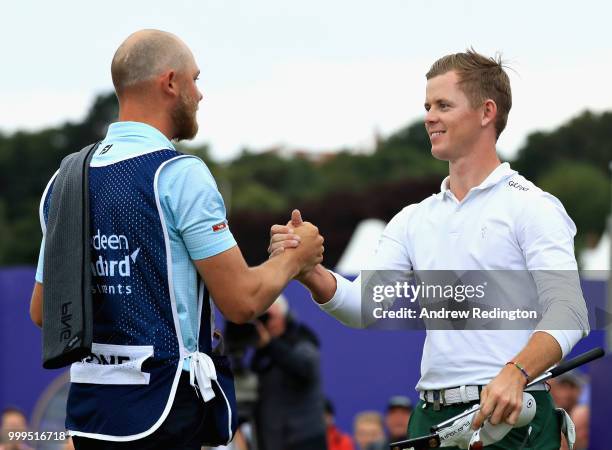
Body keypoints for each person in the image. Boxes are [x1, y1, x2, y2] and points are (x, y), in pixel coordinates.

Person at [268, 49, 589, 449]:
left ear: (487, 112)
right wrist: (308, 270)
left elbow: (570, 312)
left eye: (443, 105)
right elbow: (364, 306)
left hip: (513, 422)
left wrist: (517, 372)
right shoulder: (413, 219)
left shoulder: (533, 206)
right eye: (427, 106)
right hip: (432, 421)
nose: (429, 116)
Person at [29, 29, 324, 450]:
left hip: (91, 412)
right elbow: (242, 302)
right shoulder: (178, 173)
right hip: (164, 408)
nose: (199, 95)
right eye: (196, 80)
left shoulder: (63, 180)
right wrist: (296, 257)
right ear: (170, 83)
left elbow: (44, 312)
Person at [251, 296, 327, 450]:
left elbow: (305, 368)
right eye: (262, 317)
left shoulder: (302, 339)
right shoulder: (261, 350)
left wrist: (270, 344)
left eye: (270, 316)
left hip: (304, 439)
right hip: (273, 439)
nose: (267, 322)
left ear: (283, 316)